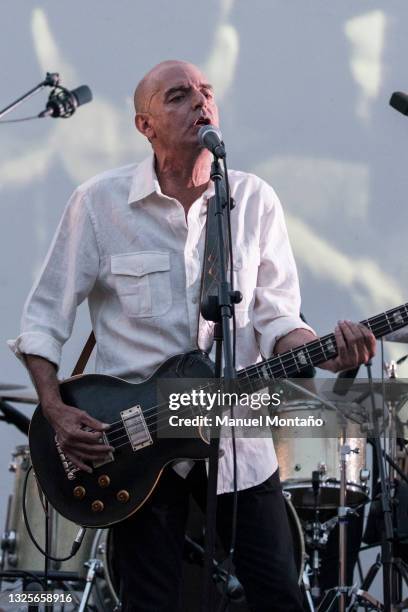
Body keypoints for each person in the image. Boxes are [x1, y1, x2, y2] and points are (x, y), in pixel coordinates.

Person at [9, 60, 376, 612]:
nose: (200, 103)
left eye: (206, 92)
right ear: (145, 125)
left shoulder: (253, 201)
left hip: (237, 446)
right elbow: (42, 321)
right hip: (132, 448)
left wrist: (325, 353)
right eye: (178, 96)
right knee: (150, 601)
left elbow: (279, 320)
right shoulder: (99, 203)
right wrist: (56, 411)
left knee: (278, 594)